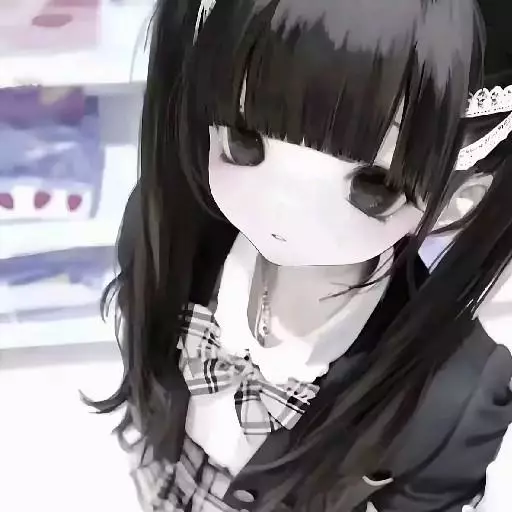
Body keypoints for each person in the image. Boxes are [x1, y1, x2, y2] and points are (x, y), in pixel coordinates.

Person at [89, 1, 512, 511]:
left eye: (373, 186)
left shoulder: (454, 389)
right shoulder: (166, 235)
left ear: (457, 201)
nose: (281, 206)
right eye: (244, 141)